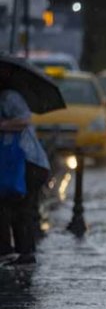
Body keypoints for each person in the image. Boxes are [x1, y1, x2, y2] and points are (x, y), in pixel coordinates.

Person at [0, 88, 51, 265]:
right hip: (13, 164)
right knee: (9, 208)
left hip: (29, 162)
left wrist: (3, 125)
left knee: (22, 209)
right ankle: (16, 253)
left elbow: (25, 120)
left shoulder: (9, 97)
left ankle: (25, 254)